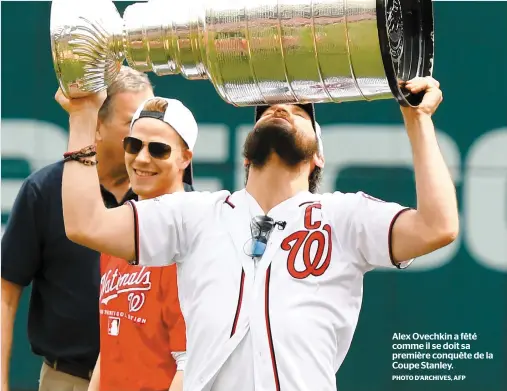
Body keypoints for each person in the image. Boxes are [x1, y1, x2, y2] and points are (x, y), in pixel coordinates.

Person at [57, 76, 459, 391]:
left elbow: (438, 227)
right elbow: (86, 224)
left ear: (319, 153)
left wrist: (418, 120)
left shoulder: (345, 216)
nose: (280, 107)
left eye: (299, 112)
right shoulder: (197, 213)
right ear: (247, 154)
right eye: (266, 110)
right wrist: (82, 117)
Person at [1, 66, 153, 391]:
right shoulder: (44, 190)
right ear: (96, 124)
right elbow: (5, 292)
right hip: (67, 380)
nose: (147, 133)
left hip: (148, 379)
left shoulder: (166, 199)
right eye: (133, 122)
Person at [87, 96, 196, 391]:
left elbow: (191, 364)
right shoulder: (120, 232)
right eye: (133, 146)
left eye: (158, 150)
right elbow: (109, 350)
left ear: (185, 158)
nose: (142, 158)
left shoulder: (190, 240)